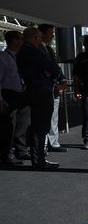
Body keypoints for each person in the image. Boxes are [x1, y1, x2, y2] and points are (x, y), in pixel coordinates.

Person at [16, 28, 64, 169]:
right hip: (42, 92)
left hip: (30, 90)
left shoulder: (21, 53)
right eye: (38, 38)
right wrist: (51, 75)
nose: (39, 41)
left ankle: (37, 158)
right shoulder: (34, 52)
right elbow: (54, 68)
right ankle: (39, 161)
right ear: (35, 38)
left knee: (34, 126)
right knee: (41, 127)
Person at [38, 24, 67, 153]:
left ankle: (53, 143)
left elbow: (55, 67)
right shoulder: (37, 49)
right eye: (50, 33)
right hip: (44, 88)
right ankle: (43, 146)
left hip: (54, 87)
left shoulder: (49, 49)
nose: (53, 35)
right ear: (41, 34)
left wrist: (62, 80)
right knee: (44, 118)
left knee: (53, 117)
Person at [0, 31, 27, 166]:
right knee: (9, 127)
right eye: (21, 39)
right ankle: (7, 155)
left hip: (21, 94)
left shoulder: (21, 57)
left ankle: (20, 150)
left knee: (22, 124)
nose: (23, 41)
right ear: (14, 41)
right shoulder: (3, 57)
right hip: (8, 94)